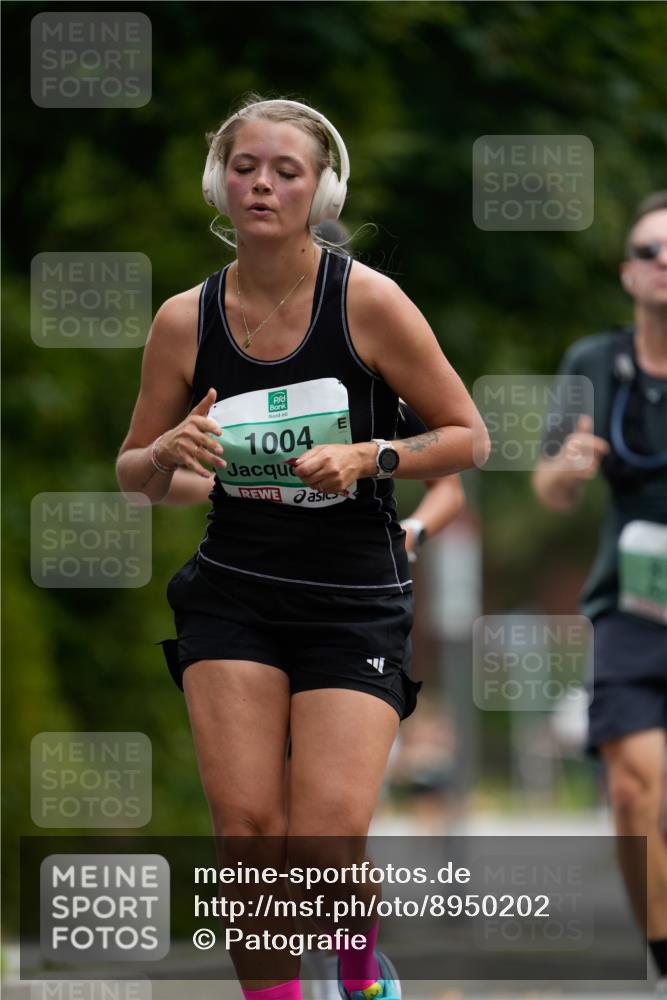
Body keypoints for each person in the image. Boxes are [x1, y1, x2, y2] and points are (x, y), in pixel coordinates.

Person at [117, 96, 486, 1000]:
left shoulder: (367, 301)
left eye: (287, 170)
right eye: (245, 166)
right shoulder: (183, 320)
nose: (263, 184)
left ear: (323, 189)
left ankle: (362, 974)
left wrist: (369, 455)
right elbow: (135, 470)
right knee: (247, 837)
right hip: (233, 591)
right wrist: (164, 453)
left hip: (352, 597)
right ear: (219, 180)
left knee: (324, 843)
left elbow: (467, 438)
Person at [532, 191, 667, 994]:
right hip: (634, 606)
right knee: (629, 790)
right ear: (627, 273)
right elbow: (548, 485)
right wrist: (568, 467)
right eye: (650, 251)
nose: (665, 264)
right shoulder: (594, 362)